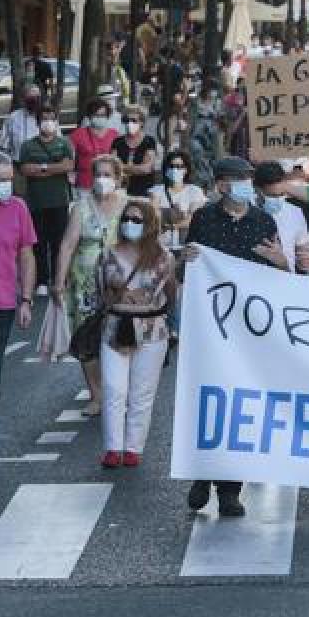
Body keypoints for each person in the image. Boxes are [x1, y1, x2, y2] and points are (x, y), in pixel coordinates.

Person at [182, 156, 287, 517]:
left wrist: (282, 262)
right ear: (222, 185)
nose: (245, 184)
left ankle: (230, 489)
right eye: (238, 179)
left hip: (250, 329)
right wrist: (189, 259)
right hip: (211, 327)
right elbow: (190, 269)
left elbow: (280, 277)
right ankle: (201, 473)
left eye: (248, 179)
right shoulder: (204, 219)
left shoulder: (263, 220)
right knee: (209, 402)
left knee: (241, 405)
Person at [96, 199, 175, 469]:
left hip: (152, 329)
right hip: (115, 326)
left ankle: (132, 447)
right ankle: (112, 447)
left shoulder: (164, 256)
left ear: (150, 224)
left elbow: (169, 294)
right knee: (113, 388)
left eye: (137, 220)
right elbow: (100, 291)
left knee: (142, 391)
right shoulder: (108, 253)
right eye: (127, 219)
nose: (130, 224)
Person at [53, 155, 128, 417]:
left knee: (119, 334)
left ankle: (118, 391)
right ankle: (96, 394)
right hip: (84, 281)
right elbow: (67, 245)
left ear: (118, 179)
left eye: (108, 174)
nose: (102, 179)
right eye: (97, 174)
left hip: (120, 281)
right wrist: (59, 281)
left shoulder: (128, 206)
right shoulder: (81, 207)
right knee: (86, 335)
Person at [0, 153, 36, 473]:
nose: (6, 185)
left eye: (9, 179)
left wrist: (27, 299)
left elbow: (26, 256)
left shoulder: (17, 208)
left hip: (0, 305)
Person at [18, 102, 74, 294]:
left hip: (59, 200)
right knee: (39, 243)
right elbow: (25, 169)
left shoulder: (64, 143)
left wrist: (41, 168)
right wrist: (52, 168)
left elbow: (67, 166)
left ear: (56, 122)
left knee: (59, 241)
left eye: (51, 119)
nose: (48, 123)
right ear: (38, 122)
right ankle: (41, 280)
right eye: (44, 119)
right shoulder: (28, 145)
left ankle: (60, 278)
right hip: (36, 202)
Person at [255, 161, 309, 274]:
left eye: (281, 195)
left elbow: (304, 249)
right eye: (272, 196)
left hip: (286, 279)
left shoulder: (295, 212)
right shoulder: (245, 212)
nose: (278, 200)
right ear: (258, 190)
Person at [148, 150, 207, 251]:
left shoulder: (195, 191)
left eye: (179, 166)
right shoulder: (156, 190)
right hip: (160, 246)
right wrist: (178, 218)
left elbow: (193, 219)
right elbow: (153, 215)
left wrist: (170, 224)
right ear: (166, 169)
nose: (175, 170)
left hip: (186, 246)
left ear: (186, 169)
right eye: (171, 166)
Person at [68, 98, 120, 196]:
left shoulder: (114, 135)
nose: (99, 117)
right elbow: (70, 160)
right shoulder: (77, 135)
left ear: (107, 116)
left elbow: (117, 162)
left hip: (108, 184)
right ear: (89, 116)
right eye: (96, 115)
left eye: (103, 115)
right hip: (85, 185)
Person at [111, 105, 158, 197]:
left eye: (134, 120)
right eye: (127, 120)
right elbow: (113, 166)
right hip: (121, 191)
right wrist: (135, 168)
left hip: (144, 190)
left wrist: (122, 167)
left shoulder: (149, 141)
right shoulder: (117, 142)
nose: (129, 123)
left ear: (142, 122)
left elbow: (146, 169)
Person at [0, 84, 42, 160]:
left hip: (43, 165)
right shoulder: (13, 118)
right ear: (24, 99)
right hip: (18, 164)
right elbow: (3, 146)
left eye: (37, 97)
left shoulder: (48, 117)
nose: (34, 101)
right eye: (31, 98)